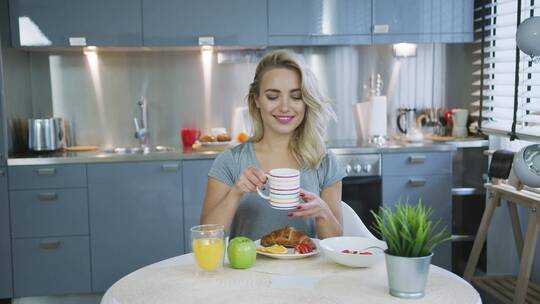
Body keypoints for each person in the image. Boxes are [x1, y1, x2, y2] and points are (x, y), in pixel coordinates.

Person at [200, 49, 346, 240]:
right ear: (257, 100)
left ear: (306, 102)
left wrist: (323, 212)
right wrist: (235, 193)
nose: (285, 107)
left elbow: (336, 241)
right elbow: (206, 237)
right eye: (272, 96)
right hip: (247, 270)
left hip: (307, 270)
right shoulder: (230, 161)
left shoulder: (324, 161)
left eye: (296, 96)